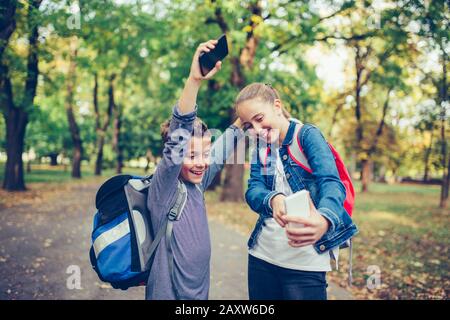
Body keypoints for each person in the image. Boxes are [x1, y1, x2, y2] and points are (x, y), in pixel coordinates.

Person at [235, 82, 358, 300]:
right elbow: (254, 189)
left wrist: (325, 220)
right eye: (248, 125)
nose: (255, 130)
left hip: (305, 263)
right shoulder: (261, 148)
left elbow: (331, 182)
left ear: (277, 106)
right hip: (261, 257)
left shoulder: (307, 135)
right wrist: (272, 199)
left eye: (259, 118)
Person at [145, 39, 244, 300]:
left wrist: (246, 118)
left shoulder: (197, 181)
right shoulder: (165, 186)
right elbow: (181, 130)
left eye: (204, 154)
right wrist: (194, 81)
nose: (201, 162)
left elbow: (222, 149)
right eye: (191, 155)